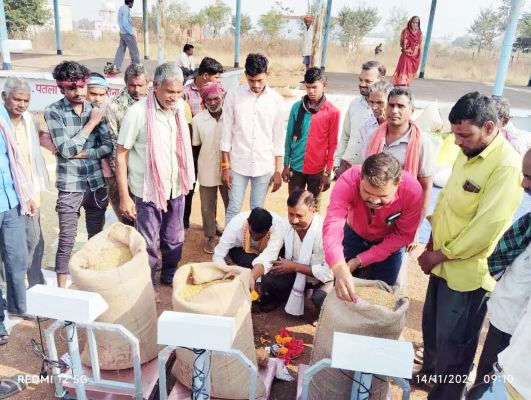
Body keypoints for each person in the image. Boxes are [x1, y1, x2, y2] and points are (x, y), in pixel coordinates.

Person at [415, 92, 523, 399]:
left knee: (455, 349)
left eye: (464, 135)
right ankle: (432, 381)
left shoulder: (507, 166)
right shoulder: (468, 152)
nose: (458, 142)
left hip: (467, 277)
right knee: (434, 336)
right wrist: (432, 246)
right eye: (455, 135)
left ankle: (447, 395)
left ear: (489, 128)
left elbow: (485, 231)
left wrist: (437, 255)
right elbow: (447, 201)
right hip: (440, 264)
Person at [116, 63, 194, 288]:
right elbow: (121, 155)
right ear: (156, 86)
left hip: (175, 188)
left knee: (174, 239)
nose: (175, 97)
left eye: (179, 92)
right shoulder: (138, 113)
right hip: (147, 191)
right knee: (148, 243)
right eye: (170, 92)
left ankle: (169, 275)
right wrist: (124, 196)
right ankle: (146, 284)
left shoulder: (180, 109)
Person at [467, 148, 531, 395]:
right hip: (506, 320)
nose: (524, 184)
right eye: (525, 175)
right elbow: (500, 262)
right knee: (486, 380)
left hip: (521, 336)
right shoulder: (526, 224)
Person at [45, 61, 112, 288]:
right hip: (70, 185)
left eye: (82, 87)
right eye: (72, 88)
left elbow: (107, 147)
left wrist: (84, 153)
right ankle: (61, 291)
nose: (79, 92)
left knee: (96, 238)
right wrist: (91, 124)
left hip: (95, 184)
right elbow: (65, 150)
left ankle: (93, 284)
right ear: (61, 88)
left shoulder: (95, 108)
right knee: (66, 240)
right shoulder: (53, 111)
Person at [324, 153, 423, 299]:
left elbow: (404, 235)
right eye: (367, 192)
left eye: (383, 196)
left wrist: (361, 259)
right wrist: (339, 267)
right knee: (343, 288)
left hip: (389, 244)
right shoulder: (347, 180)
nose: (374, 201)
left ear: (398, 184)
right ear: (360, 179)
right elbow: (333, 224)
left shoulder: (412, 191)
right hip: (353, 234)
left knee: (381, 295)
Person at [365, 87, 435, 252]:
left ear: (412, 110)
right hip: (372, 215)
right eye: (391, 105)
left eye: (401, 106)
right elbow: (364, 174)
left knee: (394, 275)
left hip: (401, 220)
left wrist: (415, 229)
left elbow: (425, 188)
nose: (394, 110)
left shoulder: (422, 143)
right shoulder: (374, 137)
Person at [220, 53, 285, 225]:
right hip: (238, 164)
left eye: (260, 80)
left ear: (267, 74)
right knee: (233, 208)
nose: (255, 85)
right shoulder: (233, 96)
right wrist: (225, 167)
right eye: (251, 80)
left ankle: (252, 246)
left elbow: (278, 138)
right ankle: (230, 247)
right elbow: (226, 133)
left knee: (257, 209)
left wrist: (278, 170)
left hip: (264, 165)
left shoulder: (276, 100)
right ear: (246, 76)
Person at [250, 189, 334, 314]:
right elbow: (269, 254)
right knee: (267, 278)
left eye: (299, 216)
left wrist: (295, 267)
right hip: (294, 274)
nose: (294, 220)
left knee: (321, 298)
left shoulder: (326, 229)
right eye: (291, 214)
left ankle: (320, 314)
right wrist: (252, 277)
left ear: (313, 210)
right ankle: (283, 297)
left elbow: (330, 271)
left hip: (321, 279)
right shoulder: (284, 224)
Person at [1, 77, 49, 288]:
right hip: (6, 196)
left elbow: (43, 139)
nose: (21, 104)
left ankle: (35, 283)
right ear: (4, 97)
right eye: (17, 99)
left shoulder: (30, 121)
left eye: (26, 100)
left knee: (33, 239)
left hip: (30, 193)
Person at [282, 68, 339, 210]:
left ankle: (313, 232)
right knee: (295, 205)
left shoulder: (332, 112)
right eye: (308, 87)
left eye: (315, 87)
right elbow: (289, 137)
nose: (311, 91)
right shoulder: (296, 108)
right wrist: (285, 164)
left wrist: (328, 172)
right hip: (296, 166)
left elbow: (332, 144)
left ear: (324, 85)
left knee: (313, 207)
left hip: (317, 170)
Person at [0, 100, 35, 319]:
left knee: (17, 258)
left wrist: (26, 194)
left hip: (11, 200)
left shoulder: (2, 115)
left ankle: (18, 306)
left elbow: (13, 159)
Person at [182, 56, 224, 231]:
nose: (218, 81)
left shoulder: (219, 98)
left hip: (215, 149)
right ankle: (184, 225)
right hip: (193, 149)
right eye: (216, 78)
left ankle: (213, 223)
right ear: (206, 75)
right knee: (192, 190)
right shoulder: (184, 92)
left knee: (218, 188)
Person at [105, 63, 149, 222]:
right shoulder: (114, 106)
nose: (137, 90)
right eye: (132, 85)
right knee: (128, 217)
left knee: (148, 218)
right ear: (125, 83)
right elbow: (113, 143)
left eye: (140, 85)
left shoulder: (154, 101)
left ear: (148, 82)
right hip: (123, 171)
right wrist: (120, 180)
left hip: (147, 171)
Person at [192, 82, 229, 254]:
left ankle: (231, 235)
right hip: (206, 167)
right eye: (209, 99)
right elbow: (196, 146)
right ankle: (209, 237)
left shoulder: (230, 117)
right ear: (204, 101)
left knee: (231, 203)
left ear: (222, 98)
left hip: (228, 169)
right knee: (207, 205)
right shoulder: (198, 120)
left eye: (216, 98)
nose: (213, 102)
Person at [334, 61, 386, 179]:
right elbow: (345, 136)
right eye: (360, 80)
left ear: (382, 79)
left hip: (371, 174)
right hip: (345, 168)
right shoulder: (354, 104)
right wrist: (337, 165)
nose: (362, 84)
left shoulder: (388, 110)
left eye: (368, 81)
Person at [213, 207, 281, 268]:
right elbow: (218, 255)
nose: (254, 238)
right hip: (240, 249)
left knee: (278, 261)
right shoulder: (235, 225)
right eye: (252, 233)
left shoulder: (277, 224)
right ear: (248, 223)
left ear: (268, 229)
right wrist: (227, 270)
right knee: (252, 263)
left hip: (269, 250)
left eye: (259, 236)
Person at [358, 81, 393, 160]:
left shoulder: (398, 127)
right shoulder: (366, 125)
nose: (374, 107)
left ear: (390, 102)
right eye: (371, 102)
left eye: (379, 102)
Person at [110, 0, 140, 74]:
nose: (133, 5)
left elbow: (120, 21)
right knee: (134, 51)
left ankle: (116, 67)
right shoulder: (126, 9)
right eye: (132, 3)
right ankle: (137, 69)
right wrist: (131, 33)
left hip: (122, 33)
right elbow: (125, 23)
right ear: (130, 2)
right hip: (127, 33)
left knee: (121, 50)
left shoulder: (121, 8)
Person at [391, 16, 422, 87]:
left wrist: (415, 51)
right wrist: (408, 49)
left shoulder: (419, 33)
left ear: (418, 24)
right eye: (413, 22)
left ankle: (405, 88)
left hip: (414, 56)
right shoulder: (406, 31)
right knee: (403, 71)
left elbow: (419, 44)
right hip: (406, 55)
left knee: (409, 73)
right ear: (410, 22)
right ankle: (400, 87)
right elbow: (403, 43)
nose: (415, 24)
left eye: (417, 23)